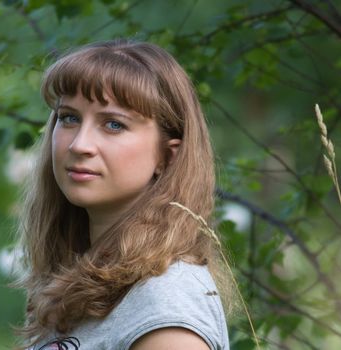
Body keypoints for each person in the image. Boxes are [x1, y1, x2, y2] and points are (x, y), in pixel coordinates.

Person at [15, 39, 233, 350]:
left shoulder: (164, 311)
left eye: (114, 124)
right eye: (69, 118)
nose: (79, 144)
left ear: (167, 157)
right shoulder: (82, 283)